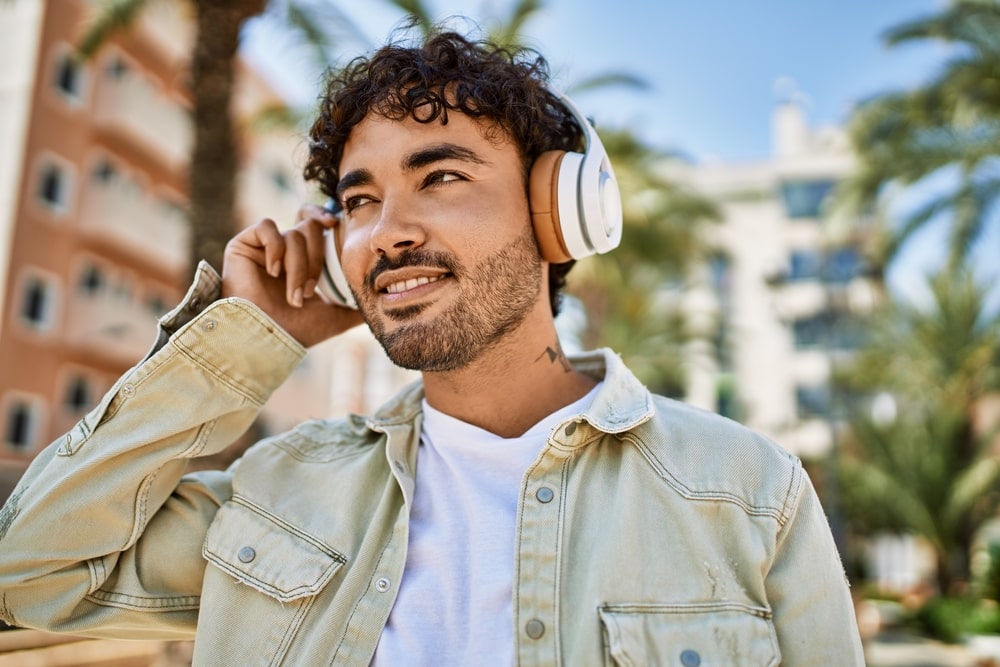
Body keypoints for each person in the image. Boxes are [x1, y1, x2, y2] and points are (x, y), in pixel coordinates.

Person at [0, 27, 864, 665]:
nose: (387, 232)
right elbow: (32, 572)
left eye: (440, 176)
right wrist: (246, 340)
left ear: (557, 213)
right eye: (361, 199)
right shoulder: (282, 493)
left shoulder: (747, 492)